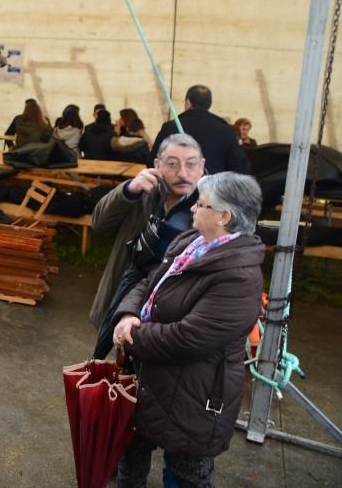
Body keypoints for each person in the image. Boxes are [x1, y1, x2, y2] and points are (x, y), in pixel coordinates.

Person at [112, 171, 264, 487]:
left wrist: (133, 337)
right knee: (132, 448)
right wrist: (128, 314)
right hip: (152, 373)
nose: (193, 208)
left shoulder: (238, 277)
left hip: (193, 392)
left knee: (187, 471)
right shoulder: (192, 241)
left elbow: (190, 337)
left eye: (201, 204)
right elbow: (149, 282)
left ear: (224, 216)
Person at [89, 133, 204, 358]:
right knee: (113, 368)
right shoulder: (142, 190)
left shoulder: (210, 206)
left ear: (202, 166)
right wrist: (128, 191)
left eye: (191, 164)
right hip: (122, 297)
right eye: (172, 164)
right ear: (157, 165)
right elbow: (99, 224)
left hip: (170, 316)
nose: (182, 173)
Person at [152, 85, 250, 174]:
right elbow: (240, 168)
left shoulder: (170, 127)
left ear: (188, 102)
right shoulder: (225, 130)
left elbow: (153, 162)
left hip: (177, 190)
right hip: (214, 190)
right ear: (209, 104)